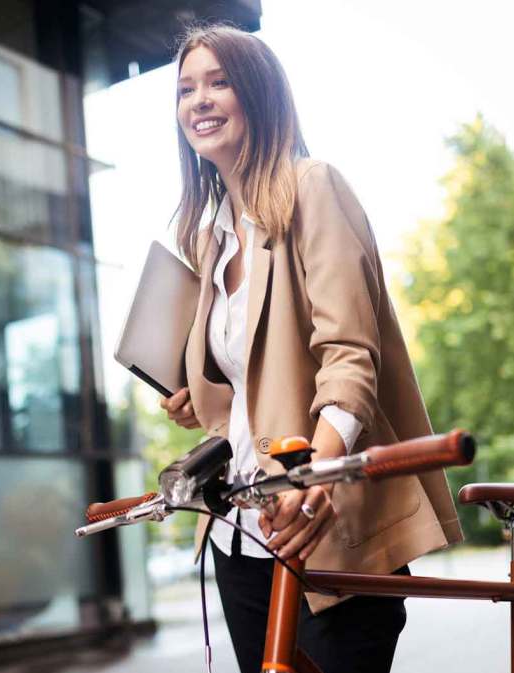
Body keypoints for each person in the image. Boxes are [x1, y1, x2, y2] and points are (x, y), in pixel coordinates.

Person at [157, 24, 464, 673]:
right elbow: (256, 381)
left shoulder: (313, 187)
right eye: (187, 88)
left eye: (219, 81)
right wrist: (200, 396)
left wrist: (311, 474)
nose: (199, 100)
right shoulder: (211, 241)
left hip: (320, 527)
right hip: (241, 535)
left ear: (260, 94)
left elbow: (350, 358)